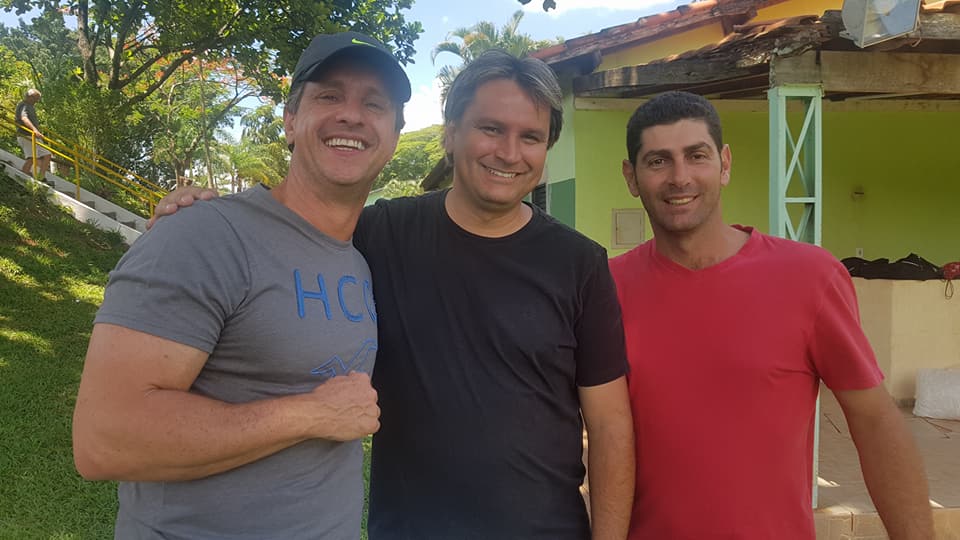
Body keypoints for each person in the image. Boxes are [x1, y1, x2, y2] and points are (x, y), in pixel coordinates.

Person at [149, 50, 635, 539]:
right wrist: (201, 213)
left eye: (530, 137)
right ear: (451, 134)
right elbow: (285, 227)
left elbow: (610, 425)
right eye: (490, 128)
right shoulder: (376, 234)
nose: (509, 153)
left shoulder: (580, 263)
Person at [71, 30, 411, 539]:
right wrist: (310, 414)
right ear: (290, 121)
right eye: (329, 96)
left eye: (374, 104)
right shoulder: (204, 234)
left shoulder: (360, 258)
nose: (351, 115)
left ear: (395, 135)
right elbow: (105, 439)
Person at [610, 91, 934, 540]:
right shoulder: (605, 289)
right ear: (631, 177)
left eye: (697, 156)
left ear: (724, 164)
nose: (680, 177)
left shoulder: (809, 277)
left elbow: (875, 422)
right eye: (658, 161)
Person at [14, 88, 52, 178]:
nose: (36, 101)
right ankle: (23, 175)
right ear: (30, 97)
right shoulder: (23, 105)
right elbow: (24, 118)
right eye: (36, 99)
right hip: (26, 135)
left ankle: (40, 177)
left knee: (47, 155)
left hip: (34, 136)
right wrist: (34, 130)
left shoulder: (30, 106)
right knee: (31, 157)